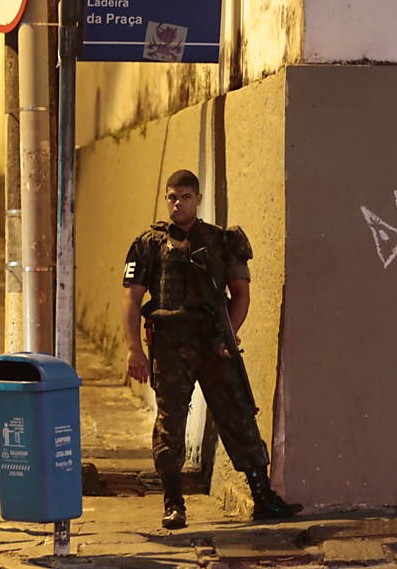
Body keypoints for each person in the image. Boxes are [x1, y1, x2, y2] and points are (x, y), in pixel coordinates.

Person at [121, 169, 301, 529]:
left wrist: (226, 337)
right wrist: (133, 350)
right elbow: (132, 296)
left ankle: (262, 496)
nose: (178, 203)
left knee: (238, 414)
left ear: (198, 199)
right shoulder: (148, 243)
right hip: (171, 344)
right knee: (170, 422)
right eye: (172, 197)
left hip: (212, 342)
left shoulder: (220, 241)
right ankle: (173, 503)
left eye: (185, 197)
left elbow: (241, 295)